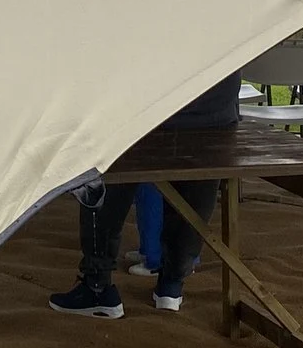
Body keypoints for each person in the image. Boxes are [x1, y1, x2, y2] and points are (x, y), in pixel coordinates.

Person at [49, 73, 241, 318]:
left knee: (103, 182)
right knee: (194, 198)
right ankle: (171, 286)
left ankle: (97, 285)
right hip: (212, 111)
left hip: (136, 112)